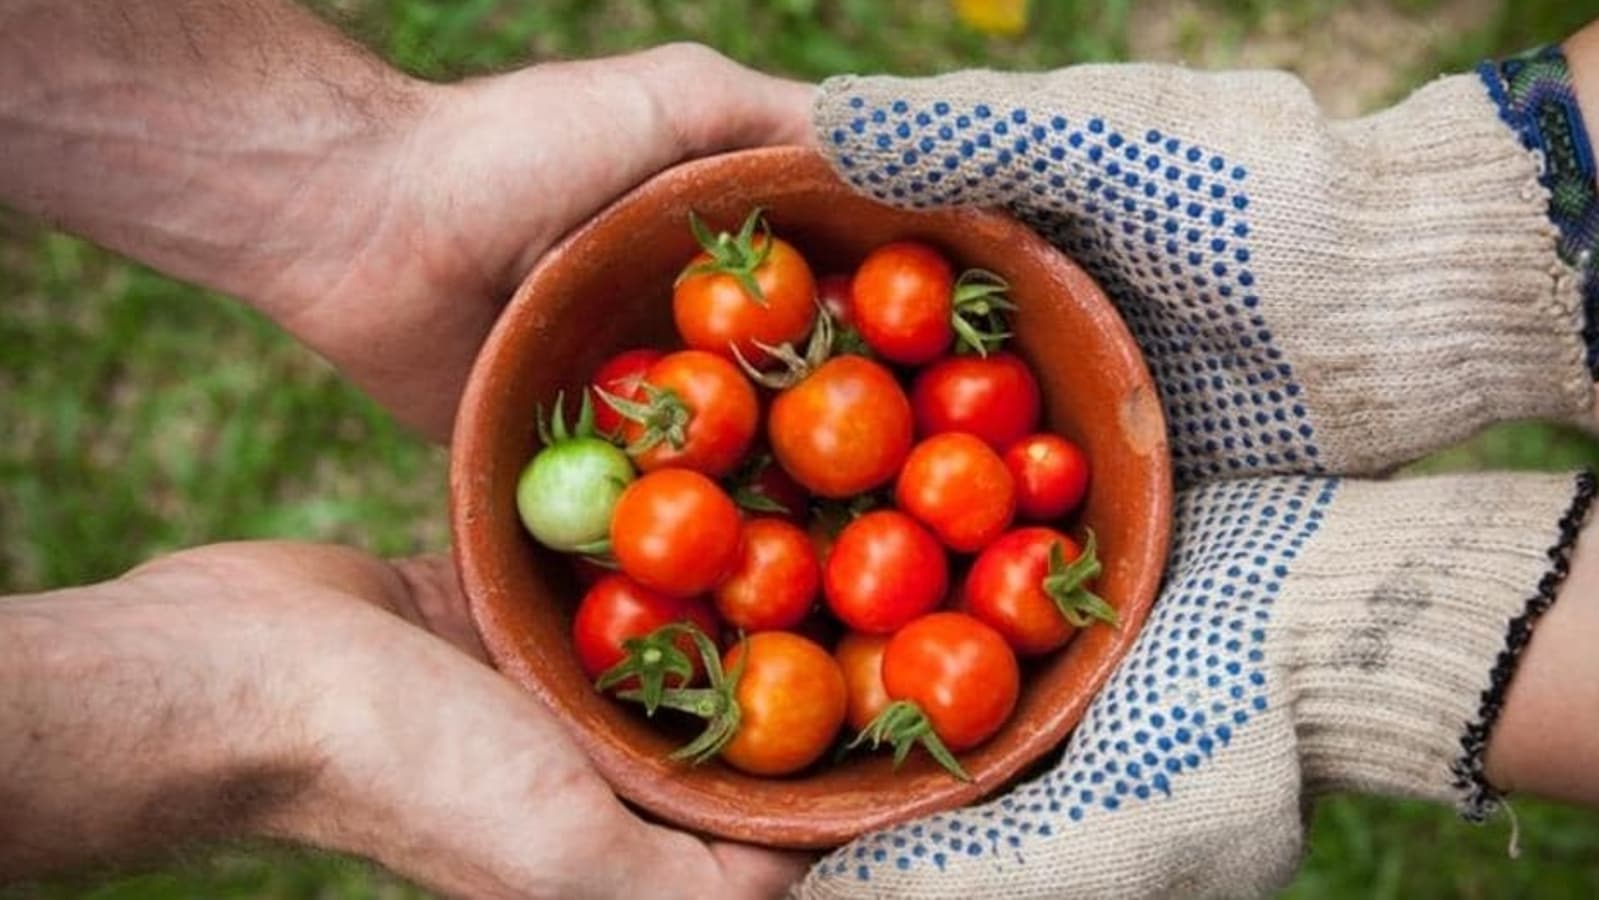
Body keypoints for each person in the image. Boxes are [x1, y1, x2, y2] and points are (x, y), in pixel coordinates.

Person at [3, 0, 1598, 897]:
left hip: (921, 542)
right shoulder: (757, 537)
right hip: (910, 566)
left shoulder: (754, 463)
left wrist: (1429, 242)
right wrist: (1419, 632)